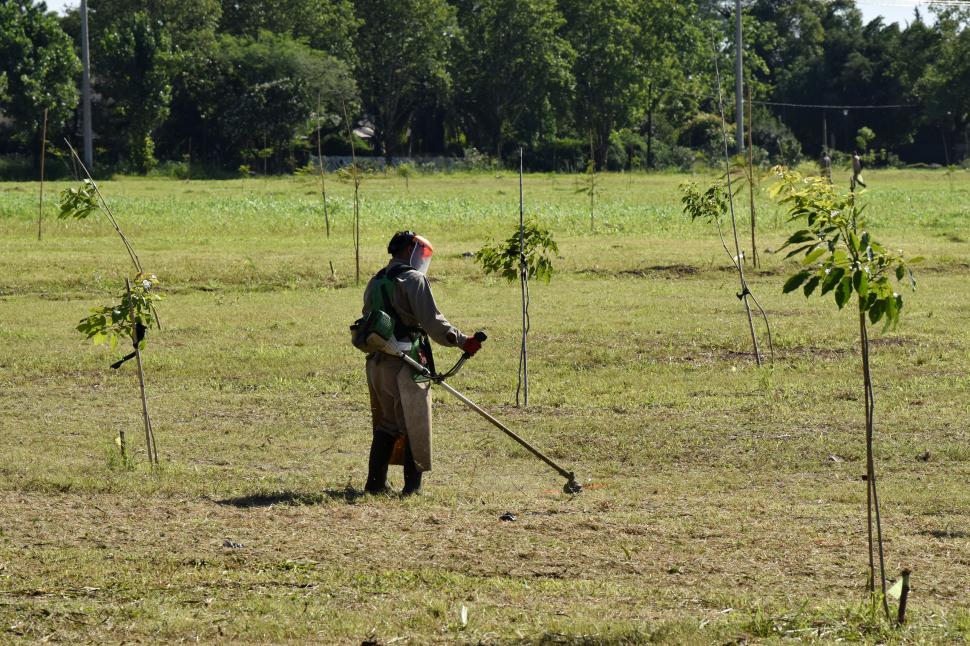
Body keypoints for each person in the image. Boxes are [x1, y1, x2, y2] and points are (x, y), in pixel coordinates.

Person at [361, 231, 481, 496]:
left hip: (379, 361)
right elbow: (434, 324)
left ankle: (375, 484)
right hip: (407, 364)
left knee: (388, 424)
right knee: (415, 424)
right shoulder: (413, 279)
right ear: (408, 251)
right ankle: (412, 489)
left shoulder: (376, 279)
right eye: (422, 253)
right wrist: (463, 341)